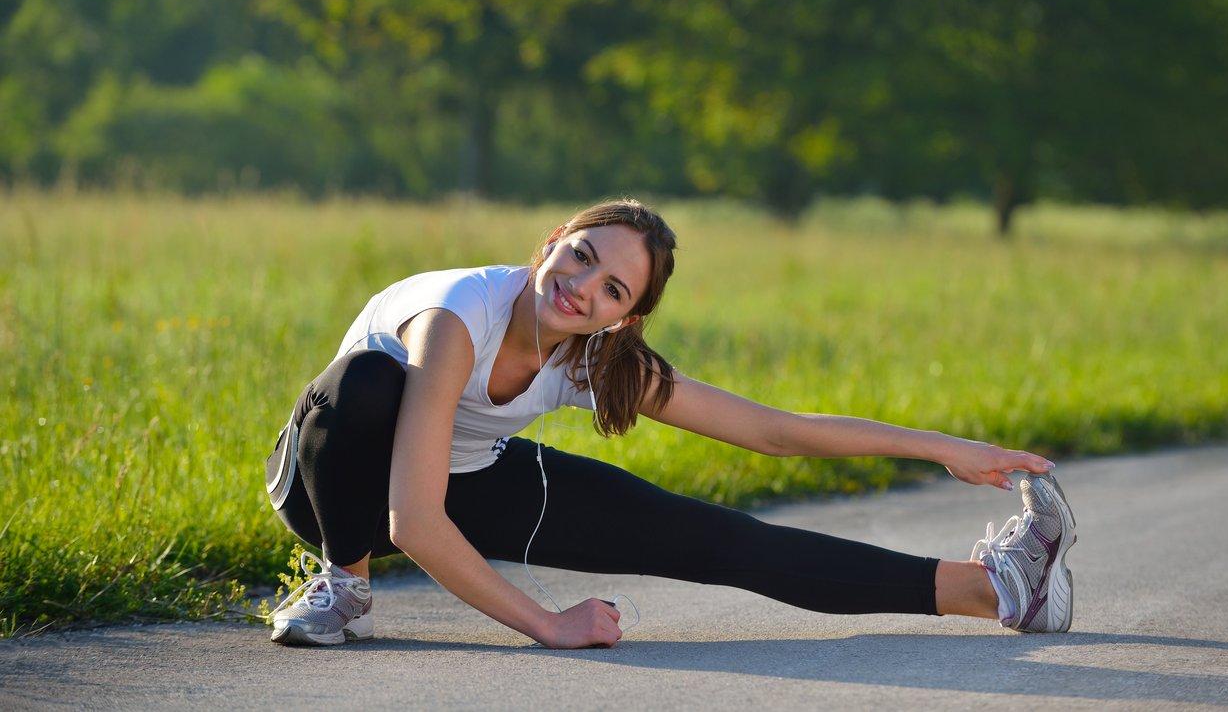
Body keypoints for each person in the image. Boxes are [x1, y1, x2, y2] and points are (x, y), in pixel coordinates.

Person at [263, 198, 1076, 648]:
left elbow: (775, 432)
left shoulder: (593, 356)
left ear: (625, 317)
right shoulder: (458, 317)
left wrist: (945, 449)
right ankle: (344, 586)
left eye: (614, 289)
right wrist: (550, 625)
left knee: (719, 539)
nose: (583, 287)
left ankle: (998, 589)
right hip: (332, 487)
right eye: (582, 254)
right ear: (553, 241)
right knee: (370, 381)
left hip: (465, 476)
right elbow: (413, 521)